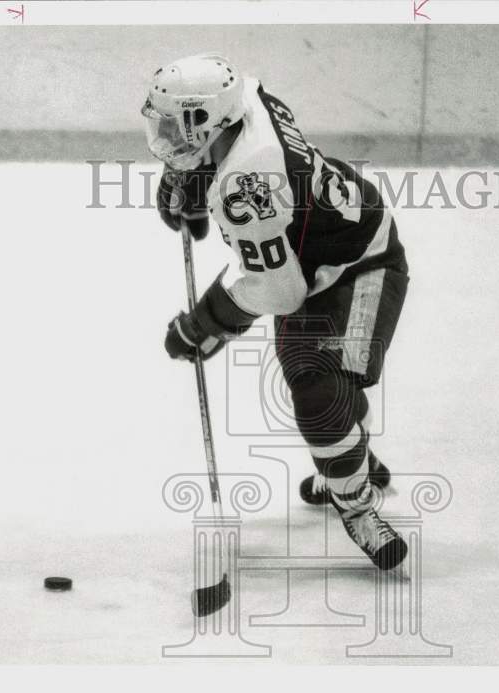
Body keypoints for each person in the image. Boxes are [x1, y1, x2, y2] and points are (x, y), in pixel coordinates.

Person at [144, 53, 410, 571]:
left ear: (207, 121)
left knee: (319, 383)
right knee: (316, 381)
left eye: (178, 124)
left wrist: (205, 324)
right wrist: (194, 180)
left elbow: (278, 291)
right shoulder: (243, 94)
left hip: (362, 264)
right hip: (312, 256)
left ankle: (354, 504)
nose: (168, 133)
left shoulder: (248, 180)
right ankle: (354, 460)